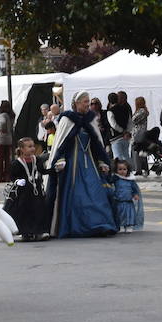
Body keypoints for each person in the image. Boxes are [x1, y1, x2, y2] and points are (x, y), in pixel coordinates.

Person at [48, 91, 117, 238]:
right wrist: (59, 159)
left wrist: (102, 161)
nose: (88, 104)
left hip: (90, 163)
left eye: (88, 101)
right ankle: (77, 226)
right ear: (76, 103)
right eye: (85, 102)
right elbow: (60, 144)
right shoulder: (67, 120)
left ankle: (101, 225)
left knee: (96, 193)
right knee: (77, 195)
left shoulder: (91, 119)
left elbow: (97, 144)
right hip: (73, 164)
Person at [4, 137, 50, 241]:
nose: (32, 148)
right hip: (22, 192)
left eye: (33, 146)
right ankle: (25, 232)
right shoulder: (16, 163)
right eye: (29, 146)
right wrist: (18, 181)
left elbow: (42, 171)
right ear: (22, 149)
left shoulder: (37, 160)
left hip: (35, 190)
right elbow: (12, 177)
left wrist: (54, 170)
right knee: (23, 211)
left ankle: (39, 231)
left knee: (38, 209)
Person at [110, 159, 144, 232]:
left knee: (129, 214)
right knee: (118, 215)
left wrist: (135, 194)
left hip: (128, 201)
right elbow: (109, 182)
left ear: (128, 170)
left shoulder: (130, 180)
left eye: (124, 169)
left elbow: (134, 188)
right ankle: (118, 226)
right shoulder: (116, 178)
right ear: (116, 170)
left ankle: (128, 226)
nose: (122, 171)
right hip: (118, 201)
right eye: (120, 169)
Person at [107, 90, 133, 162]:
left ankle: (120, 172)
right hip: (125, 137)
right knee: (126, 156)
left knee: (117, 157)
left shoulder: (110, 111)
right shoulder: (126, 109)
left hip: (116, 137)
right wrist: (127, 132)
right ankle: (128, 171)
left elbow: (113, 125)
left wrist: (122, 131)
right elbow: (130, 122)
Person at [0, 100, 16, 183]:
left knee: (0, 158)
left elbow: (2, 123)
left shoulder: (3, 115)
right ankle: (7, 176)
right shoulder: (12, 115)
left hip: (0, 138)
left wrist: (1, 129)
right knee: (7, 158)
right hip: (8, 138)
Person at [130, 96, 150, 174]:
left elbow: (133, 120)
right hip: (139, 134)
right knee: (140, 152)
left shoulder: (142, 111)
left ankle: (140, 169)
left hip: (138, 134)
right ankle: (141, 169)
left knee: (138, 152)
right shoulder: (141, 111)